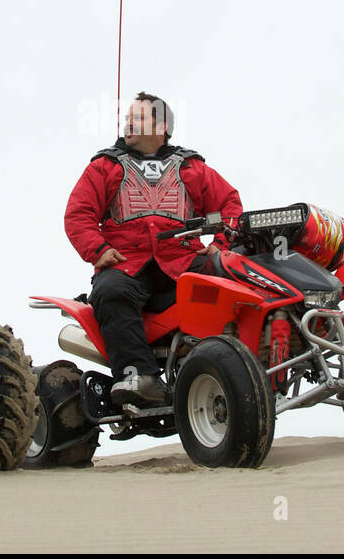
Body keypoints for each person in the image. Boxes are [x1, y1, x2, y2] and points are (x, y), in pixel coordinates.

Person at [64, 92, 243, 407]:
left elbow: (229, 205)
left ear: (162, 126)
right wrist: (98, 250)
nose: (129, 122)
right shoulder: (105, 167)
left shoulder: (192, 168)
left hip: (184, 261)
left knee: (233, 274)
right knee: (109, 290)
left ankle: (247, 354)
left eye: (139, 117)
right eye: (127, 118)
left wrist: (219, 245)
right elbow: (78, 215)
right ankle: (138, 377)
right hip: (126, 265)